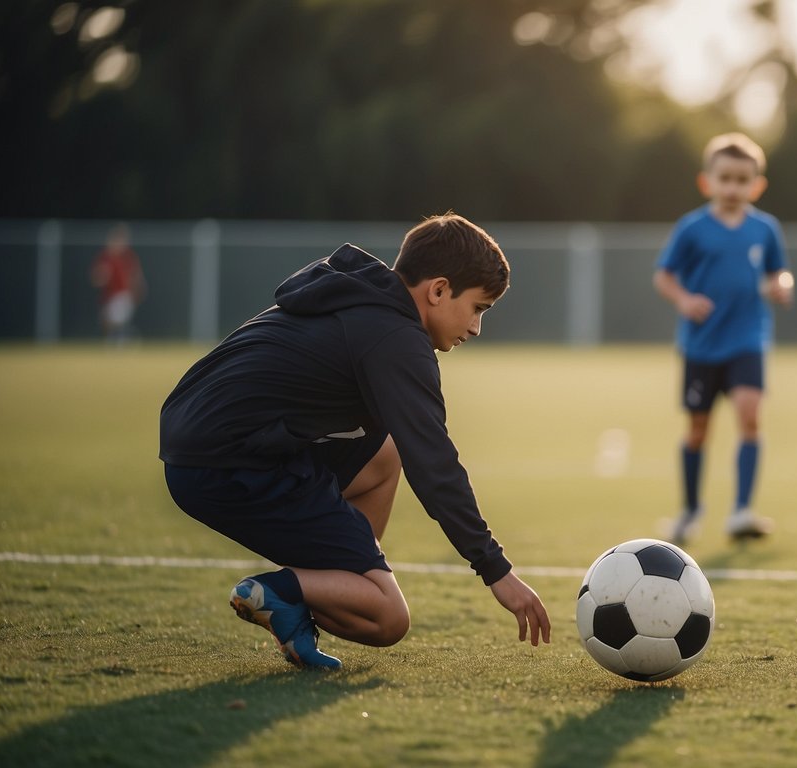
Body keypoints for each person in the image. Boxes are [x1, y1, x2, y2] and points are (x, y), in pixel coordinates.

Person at [160, 213, 551, 669]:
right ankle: (288, 591)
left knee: (385, 455)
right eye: (479, 308)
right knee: (388, 619)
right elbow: (435, 464)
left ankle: (327, 586)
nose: (477, 327)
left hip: (202, 442)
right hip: (221, 467)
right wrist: (496, 571)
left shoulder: (359, 295)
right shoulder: (396, 337)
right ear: (439, 290)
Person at [653, 132, 794, 545]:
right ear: (707, 182)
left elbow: (778, 272)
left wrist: (781, 286)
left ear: (757, 185)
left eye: (742, 180)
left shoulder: (765, 229)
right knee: (698, 430)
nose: (733, 187)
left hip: (748, 339)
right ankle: (690, 510)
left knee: (750, 418)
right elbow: (664, 275)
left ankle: (741, 511)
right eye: (725, 178)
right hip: (701, 346)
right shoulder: (693, 228)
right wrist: (684, 299)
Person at [92, 223, 146, 344]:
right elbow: (97, 277)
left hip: (123, 294)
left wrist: (138, 290)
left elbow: (136, 276)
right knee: (107, 321)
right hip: (109, 296)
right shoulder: (106, 257)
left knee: (116, 319)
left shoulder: (127, 256)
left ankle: (123, 338)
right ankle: (123, 338)